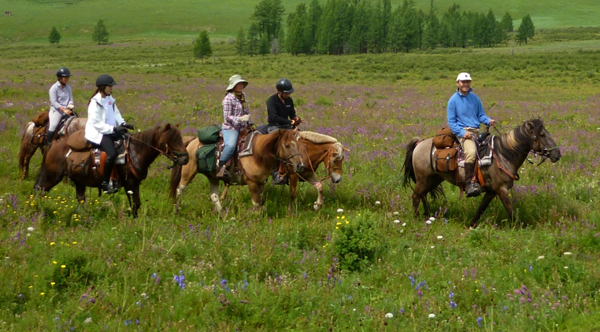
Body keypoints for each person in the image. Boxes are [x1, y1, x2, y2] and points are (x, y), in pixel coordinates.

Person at [447, 72, 496, 197]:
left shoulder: (475, 98)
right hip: (463, 132)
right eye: (463, 82)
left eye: (468, 82)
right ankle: (469, 184)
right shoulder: (453, 101)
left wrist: (489, 121)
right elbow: (452, 123)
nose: (466, 84)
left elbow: (481, 115)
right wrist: (463, 133)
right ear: (458, 83)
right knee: (471, 152)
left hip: (476, 131)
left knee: (493, 149)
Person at [85, 74, 133, 194]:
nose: (112, 88)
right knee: (111, 154)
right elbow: (96, 124)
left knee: (127, 142)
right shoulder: (94, 103)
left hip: (110, 130)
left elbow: (116, 113)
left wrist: (123, 124)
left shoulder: (110, 100)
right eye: (109, 86)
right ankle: (105, 182)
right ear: (102, 87)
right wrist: (114, 129)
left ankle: (119, 178)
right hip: (99, 133)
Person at [266, 78, 302, 184]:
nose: (288, 94)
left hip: (287, 127)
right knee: (277, 146)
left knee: (300, 138)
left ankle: (299, 164)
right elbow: (273, 117)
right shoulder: (272, 100)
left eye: (289, 92)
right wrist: (289, 122)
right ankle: (275, 171)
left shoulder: (289, 101)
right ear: (279, 91)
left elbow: (292, 114)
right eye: (286, 93)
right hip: (275, 126)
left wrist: (296, 119)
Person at [216, 74, 250, 179]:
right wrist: (239, 119)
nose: (240, 86)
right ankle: (220, 167)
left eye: (241, 84)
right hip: (231, 128)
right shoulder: (228, 98)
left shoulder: (243, 96)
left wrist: (250, 122)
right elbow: (227, 116)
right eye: (238, 84)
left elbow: (246, 111)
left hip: (244, 127)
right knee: (230, 146)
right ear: (233, 86)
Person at [47, 67, 74, 145]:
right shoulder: (53, 88)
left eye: (67, 77)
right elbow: (54, 102)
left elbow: (71, 99)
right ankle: (48, 143)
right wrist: (63, 109)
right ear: (59, 78)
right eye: (65, 77)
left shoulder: (68, 88)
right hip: (57, 111)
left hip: (67, 110)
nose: (67, 79)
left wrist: (70, 106)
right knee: (53, 125)